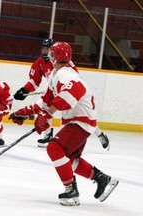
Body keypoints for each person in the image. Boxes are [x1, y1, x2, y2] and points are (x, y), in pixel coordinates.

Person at [9, 42, 118, 206]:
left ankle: (71, 191)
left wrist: (46, 115)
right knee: (69, 160)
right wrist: (23, 113)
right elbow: (46, 102)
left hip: (81, 121)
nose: (49, 56)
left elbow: (76, 90)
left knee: (54, 148)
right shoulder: (55, 74)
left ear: (55, 56)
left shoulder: (66, 74)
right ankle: (102, 179)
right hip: (77, 121)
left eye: (51, 54)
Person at [13, 38, 110, 150]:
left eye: (47, 49)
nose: (45, 52)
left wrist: (58, 90)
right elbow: (34, 81)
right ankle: (48, 134)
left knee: (81, 117)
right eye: (44, 49)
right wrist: (24, 90)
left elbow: (72, 82)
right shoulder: (39, 63)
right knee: (46, 109)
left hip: (68, 93)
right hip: (53, 91)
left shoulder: (65, 66)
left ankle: (100, 134)